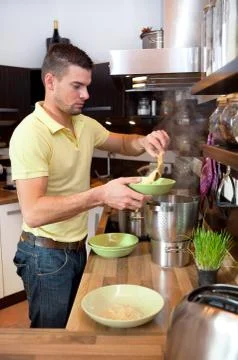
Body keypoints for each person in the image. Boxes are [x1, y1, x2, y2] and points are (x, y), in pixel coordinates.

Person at [9, 43, 170, 328]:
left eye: (87, 86)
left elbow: (122, 143)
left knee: (73, 330)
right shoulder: (30, 134)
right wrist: (101, 194)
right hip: (44, 256)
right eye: (77, 86)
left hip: (75, 248)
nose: (86, 94)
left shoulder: (83, 124)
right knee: (51, 339)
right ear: (50, 81)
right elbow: (33, 212)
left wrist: (144, 141)